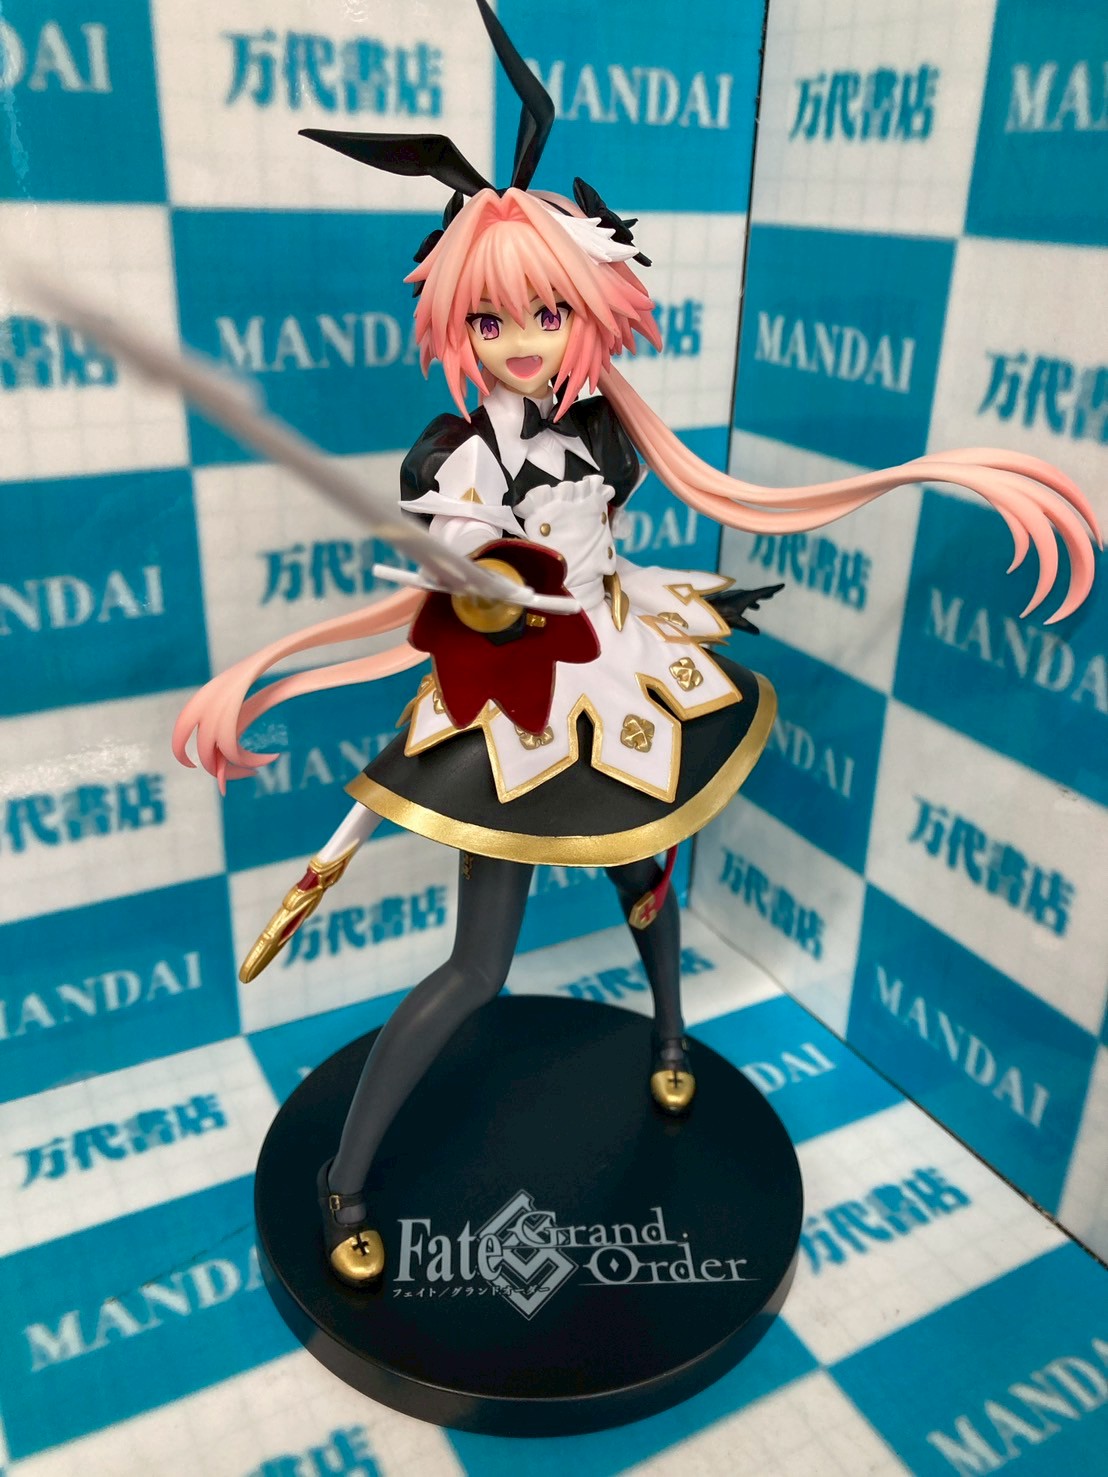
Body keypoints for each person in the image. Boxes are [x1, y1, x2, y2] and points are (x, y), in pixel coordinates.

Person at [172, 2, 1099, 1286]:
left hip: (619, 669)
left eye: (545, 313)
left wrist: (919, 475)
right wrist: (467, 590)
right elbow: (458, 582)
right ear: (456, 327)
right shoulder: (455, 461)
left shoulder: (608, 429)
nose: (521, 343)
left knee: (643, 863)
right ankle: (344, 1179)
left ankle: (668, 1034)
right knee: (478, 967)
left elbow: (665, 515)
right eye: (490, 323)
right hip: (517, 703)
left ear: (590, 310)